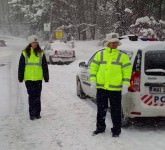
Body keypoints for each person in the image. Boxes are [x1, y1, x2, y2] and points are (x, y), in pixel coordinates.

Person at [90, 33, 132, 137]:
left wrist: (126, 85)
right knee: (101, 109)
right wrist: (93, 80)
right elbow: (93, 68)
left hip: (115, 89)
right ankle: (100, 128)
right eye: (112, 42)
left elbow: (127, 71)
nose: (114, 44)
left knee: (116, 111)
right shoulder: (100, 54)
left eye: (115, 42)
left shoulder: (123, 56)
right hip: (102, 88)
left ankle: (116, 131)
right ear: (108, 43)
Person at [18, 35, 49, 120]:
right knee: (31, 96)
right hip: (29, 79)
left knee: (37, 96)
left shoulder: (41, 53)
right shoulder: (25, 53)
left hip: (38, 78)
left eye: (36, 42)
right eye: (33, 42)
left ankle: (37, 113)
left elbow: (44, 66)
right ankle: (32, 114)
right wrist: (20, 77)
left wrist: (46, 77)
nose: (35, 44)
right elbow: (21, 66)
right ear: (30, 43)